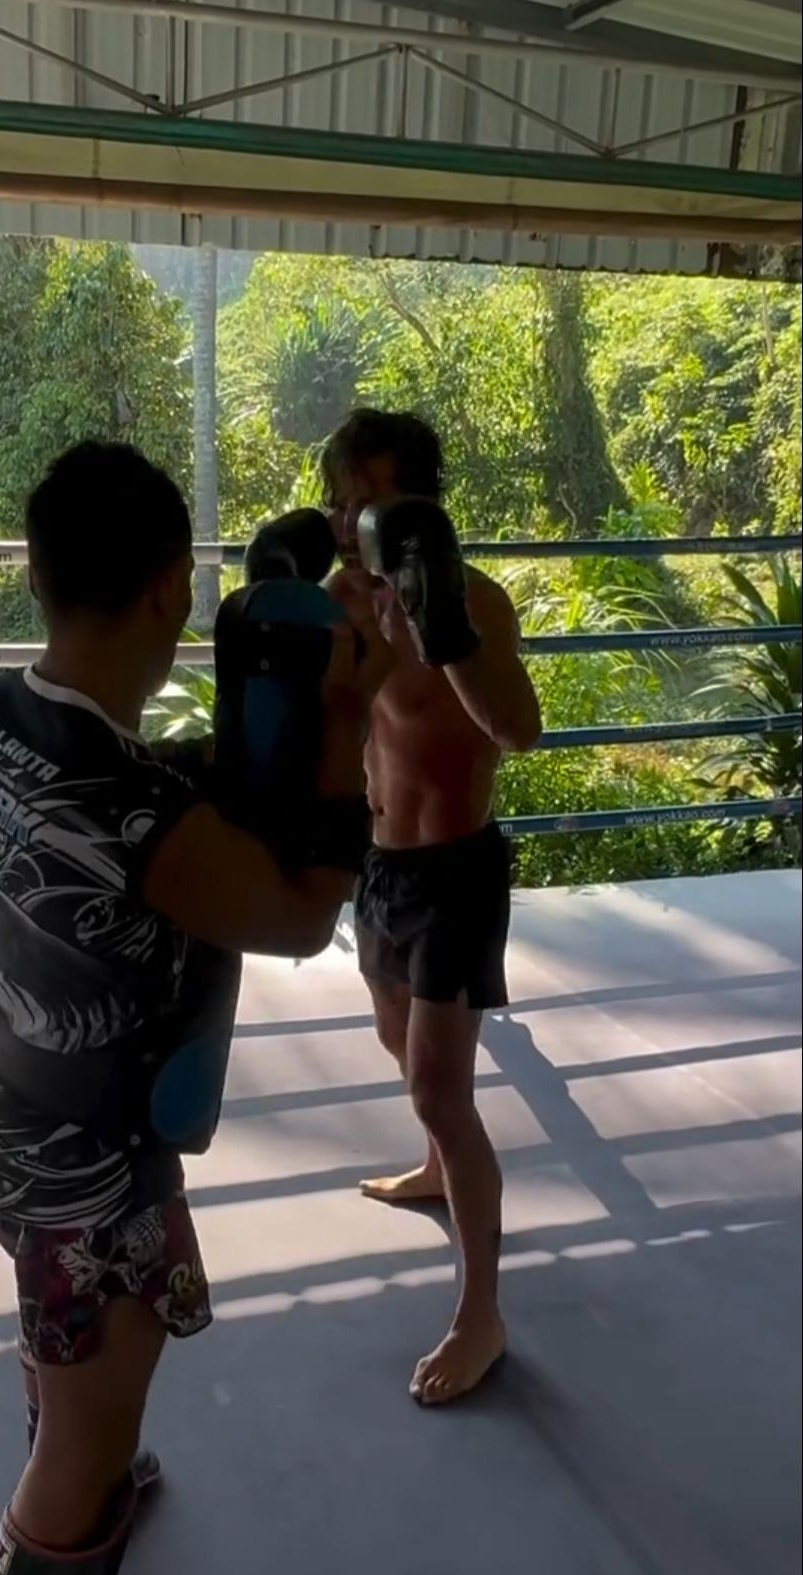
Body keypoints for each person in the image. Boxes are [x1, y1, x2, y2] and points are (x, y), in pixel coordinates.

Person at [0, 440, 391, 1575]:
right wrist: (344, 722)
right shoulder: (137, 812)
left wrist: (258, 721)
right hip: (94, 1168)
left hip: (5, 1105)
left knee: (59, 1345)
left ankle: (77, 1451)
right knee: (89, 1443)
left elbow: (145, 798)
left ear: (39, 575)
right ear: (169, 590)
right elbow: (298, 916)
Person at [321, 408, 543, 1406]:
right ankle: (433, 1165)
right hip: (380, 870)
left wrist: (438, 624)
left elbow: (518, 730)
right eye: (340, 501)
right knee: (396, 1043)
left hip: (455, 875)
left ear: (421, 510)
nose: (350, 521)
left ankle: (480, 1314)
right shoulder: (339, 600)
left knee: (443, 1094)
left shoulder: (475, 603)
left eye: (371, 502)